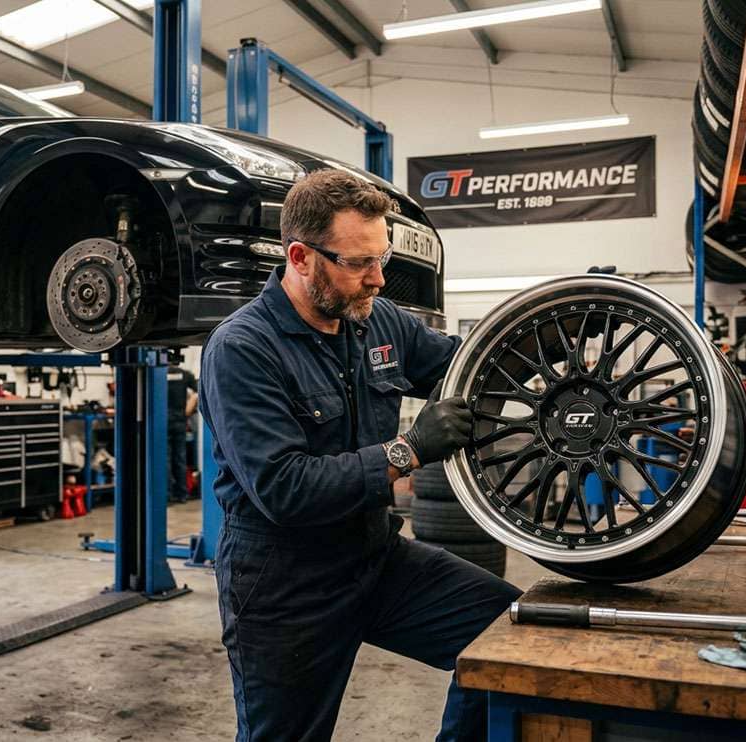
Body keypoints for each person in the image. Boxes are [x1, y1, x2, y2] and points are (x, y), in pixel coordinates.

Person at [199, 169, 521, 741]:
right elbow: (285, 489)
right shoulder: (242, 349)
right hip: (285, 585)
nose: (377, 279)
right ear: (300, 257)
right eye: (358, 264)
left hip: (374, 559)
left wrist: (547, 335)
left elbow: (465, 366)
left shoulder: (377, 320)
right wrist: (410, 449)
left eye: (382, 258)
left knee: (509, 637)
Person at [167, 364, 198, 503]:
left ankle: (167, 494)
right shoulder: (185, 374)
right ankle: (182, 494)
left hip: (162, 421)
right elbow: (199, 392)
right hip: (180, 420)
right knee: (180, 458)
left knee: (165, 459)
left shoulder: (158, 372)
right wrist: (187, 410)